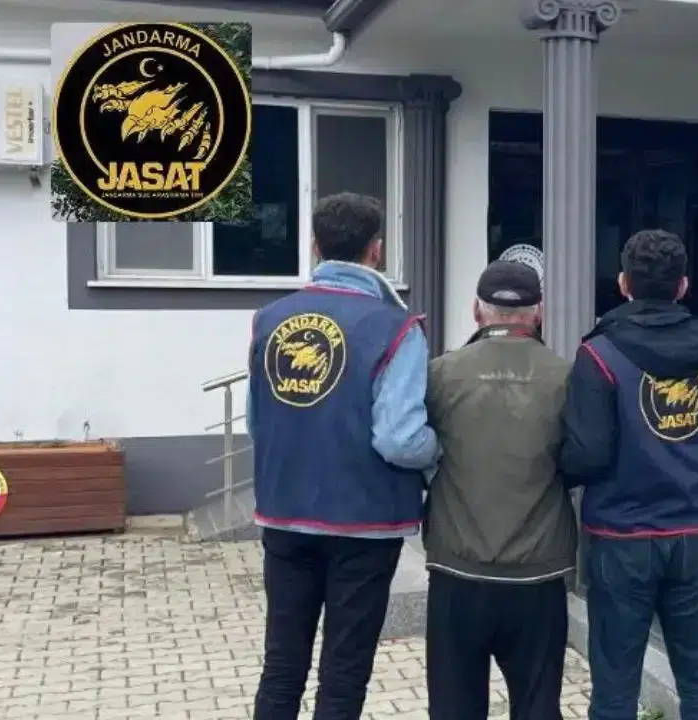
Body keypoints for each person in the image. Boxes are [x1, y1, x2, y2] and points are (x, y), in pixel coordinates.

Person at [246, 192, 439, 720]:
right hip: (364, 521)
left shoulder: (269, 320)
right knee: (344, 672)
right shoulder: (396, 327)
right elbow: (399, 439)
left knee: (281, 666)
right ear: (376, 250)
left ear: (314, 245)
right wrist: (439, 454)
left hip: (284, 513)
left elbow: (257, 424)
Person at [560, 229, 698, 720]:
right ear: (683, 285)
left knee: (615, 692)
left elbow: (587, 455)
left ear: (623, 284)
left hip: (621, 537)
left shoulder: (599, 355)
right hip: (695, 535)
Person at [422, 260, 578, 720]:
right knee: (538, 707)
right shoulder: (567, 376)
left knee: (453, 708)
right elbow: (586, 457)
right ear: (539, 312)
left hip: (457, 569)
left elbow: (407, 447)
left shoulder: (440, 373)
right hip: (538, 573)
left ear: (477, 311)